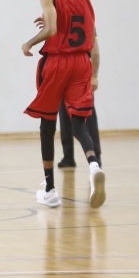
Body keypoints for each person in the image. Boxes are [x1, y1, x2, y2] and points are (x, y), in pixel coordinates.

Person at [22, 0, 105, 209]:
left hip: (58, 63)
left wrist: (29, 43)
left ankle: (50, 189)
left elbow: (52, 29)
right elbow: (89, 31)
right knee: (79, 124)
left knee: (48, 124)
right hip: (82, 61)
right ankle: (94, 167)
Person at [34, 16, 103, 169]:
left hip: (77, 72)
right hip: (68, 71)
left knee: (87, 117)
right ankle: (69, 156)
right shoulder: (62, 18)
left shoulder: (85, 20)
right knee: (65, 116)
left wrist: (95, 76)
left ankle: (95, 156)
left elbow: (94, 49)